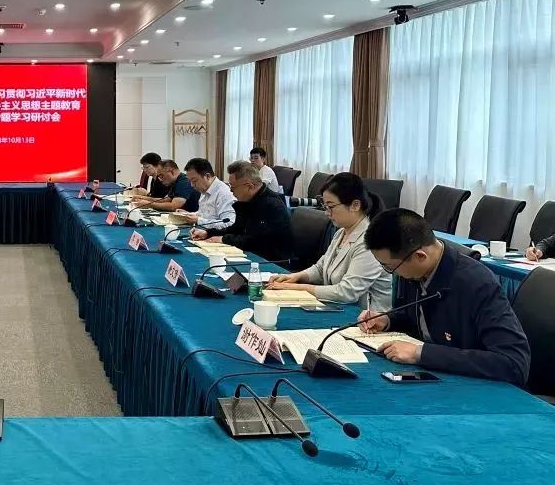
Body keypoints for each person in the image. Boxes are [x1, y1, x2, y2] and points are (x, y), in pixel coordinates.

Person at [359, 208, 530, 386]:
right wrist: (388, 320)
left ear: (420, 256)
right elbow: (421, 318)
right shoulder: (415, 270)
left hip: (474, 388)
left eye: (389, 267)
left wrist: (420, 353)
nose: (391, 272)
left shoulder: (477, 283)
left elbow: (514, 364)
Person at [266, 172, 391, 311]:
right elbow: (321, 268)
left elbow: (347, 292)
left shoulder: (370, 241)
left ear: (355, 205)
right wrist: (295, 277)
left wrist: (297, 288)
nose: (327, 213)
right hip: (339, 307)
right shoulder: (341, 232)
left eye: (330, 207)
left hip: (367, 316)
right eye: (325, 207)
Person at [189, 161, 292, 263]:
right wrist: (208, 233)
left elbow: (259, 241)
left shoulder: (272, 206)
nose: (231, 191)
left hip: (274, 261)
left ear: (250, 186)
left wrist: (224, 239)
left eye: (233, 187)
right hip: (254, 254)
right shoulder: (246, 201)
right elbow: (236, 229)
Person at [174, 158, 235, 229]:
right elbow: (205, 214)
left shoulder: (223, 194)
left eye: (194, 181)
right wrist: (188, 214)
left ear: (207, 176)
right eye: (190, 181)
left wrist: (198, 220)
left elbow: (229, 223)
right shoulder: (205, 189)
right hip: (201, 231)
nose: (192, 185)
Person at [130, 160, 198, 212]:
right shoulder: (175, 182)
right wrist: (142, 198)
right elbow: (165, 200)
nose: (160, 179)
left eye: (161, 176)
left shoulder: (184, 182)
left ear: (171, 172)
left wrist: (148, 204)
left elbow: (173, 206)